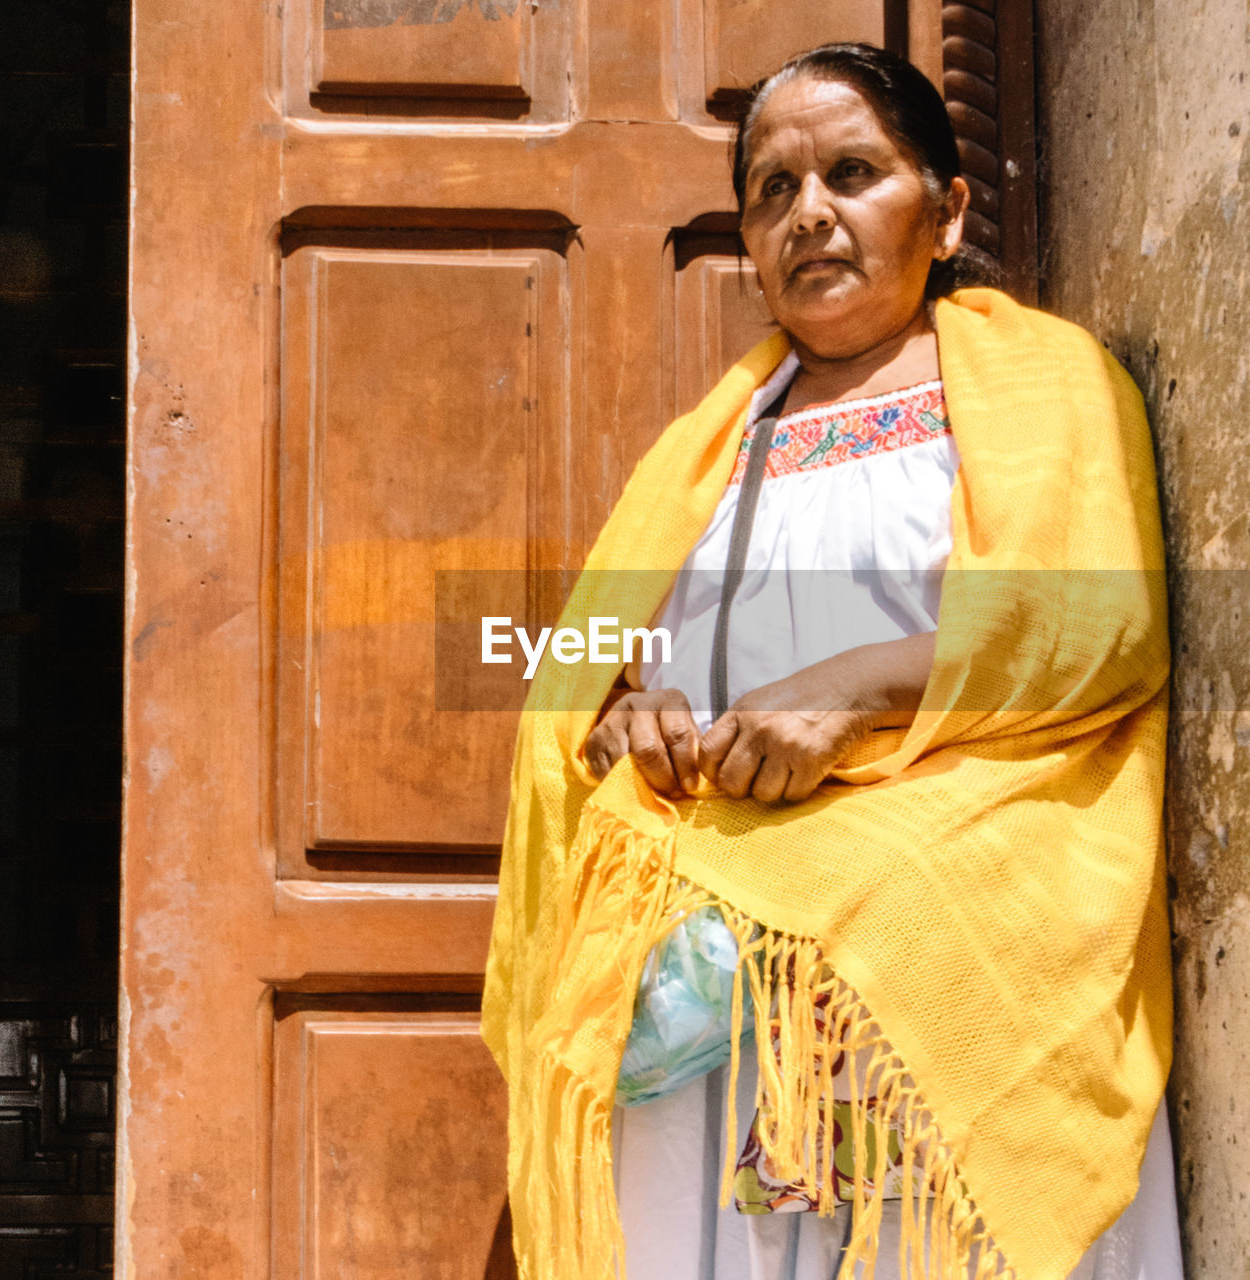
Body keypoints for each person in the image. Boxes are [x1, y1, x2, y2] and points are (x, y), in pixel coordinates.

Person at [482, 43, 1183, 1280]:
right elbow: (586, 666)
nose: (810, 214)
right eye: (774, 191)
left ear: (947, 207)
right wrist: (621, 721)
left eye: (852, 173)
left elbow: (1095, 634)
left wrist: (857, 690)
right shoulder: (708, 444)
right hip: (715, 993)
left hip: (931, 937)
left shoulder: (1043, 389)